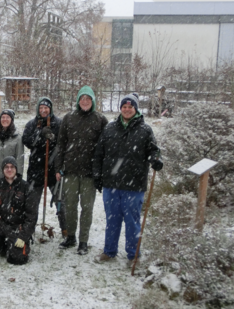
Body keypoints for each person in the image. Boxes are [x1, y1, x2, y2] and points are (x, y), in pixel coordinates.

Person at [92, 93, 163, 266]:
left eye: (130, 107)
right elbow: (99, 154)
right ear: (120, 108)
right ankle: (109, 251)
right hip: (112, 183)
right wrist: (97, 175)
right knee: (112, 220)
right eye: (124, 107)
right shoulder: (110, 128)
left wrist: (155, 159)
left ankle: (133, 255)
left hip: (134, 184)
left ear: (136, 109)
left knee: (132, 221)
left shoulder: (145, 130)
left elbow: (154, 149)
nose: (127, 109)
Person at [54, 86, 108, 254]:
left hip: (89, 174)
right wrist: (58, 167)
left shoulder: (100, 120)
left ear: (93, 101)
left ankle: (83, 240)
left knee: (87, 207)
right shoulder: (69, 119)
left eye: (88, 99)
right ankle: (70, 236)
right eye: (82, 99)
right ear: (78, 101)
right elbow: (61, 144)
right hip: (70, 171)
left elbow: (105, 148)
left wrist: (101, 171)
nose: (85, 102)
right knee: (70, 206)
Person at [0, 156, 40, 265]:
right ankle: (2, 243)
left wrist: (23, 237)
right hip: (0, 222)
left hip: (17, 226)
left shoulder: (25, 187)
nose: (9, 170)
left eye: (12, 167)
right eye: (6, 167)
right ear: (3, 170)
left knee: (17, 259)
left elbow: (32, 216)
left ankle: (12, 245)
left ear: (16, 169)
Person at [22, 97, 63, 232]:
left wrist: (51, 138)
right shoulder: (31, 124)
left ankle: (66, 230)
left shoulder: (58, 123)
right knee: (31, 203)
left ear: (50, 109)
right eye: (41, 108)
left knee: (61, 200)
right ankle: (29, 229)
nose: (43, 110)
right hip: (36, 169)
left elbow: (61, 143)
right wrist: (40, 134)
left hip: (54, 168)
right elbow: (27, 141)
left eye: (46, 108)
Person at [0, 109, 24, 183]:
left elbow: (20, 158)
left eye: (7, 117)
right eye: (3, 117)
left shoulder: (17, 138)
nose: (5, 119)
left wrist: (18, 174)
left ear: (12, 120)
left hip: (10, 175)